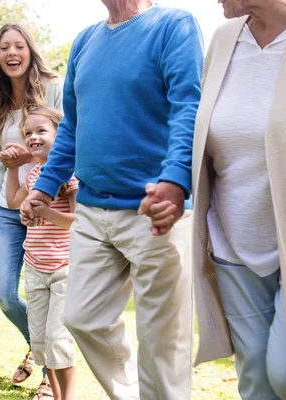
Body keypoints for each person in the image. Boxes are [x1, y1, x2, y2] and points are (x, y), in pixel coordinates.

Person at [143, 0, 286, 398]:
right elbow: (207, 135)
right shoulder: (225, 39)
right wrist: (175, 189)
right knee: (257, 383)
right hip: (233, 246)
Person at [20, 0, 204, 398]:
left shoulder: (174, 25)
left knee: (162, 339)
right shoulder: (85, 41)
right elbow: (70, 126)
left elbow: (188, 107)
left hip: (155, 209)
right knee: (83, 317)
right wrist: (43, 186)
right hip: (91, 209)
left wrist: (176, 180)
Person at [0, 22, 62, 397]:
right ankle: (38, 349)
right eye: (4, 47)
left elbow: (68, 139)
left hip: (48, 204)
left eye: (18, 46)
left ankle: (49, 374)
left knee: (53, 294)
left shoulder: (53, 88)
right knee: (5, 294)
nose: (12, 53)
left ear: (30, 50)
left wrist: (32, 155)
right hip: (10, 210)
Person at [4, 107, 78, 400]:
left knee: (59, 342)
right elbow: (12, 201)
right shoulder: (34, 172)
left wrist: (45, 210)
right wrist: (12, 170)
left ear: (61, 135)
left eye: (41, 131)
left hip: (64, 268)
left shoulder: (69, 174)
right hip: (34, 268)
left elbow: (79, 221)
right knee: (41, 343)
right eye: (28, 133)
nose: (33, 137)